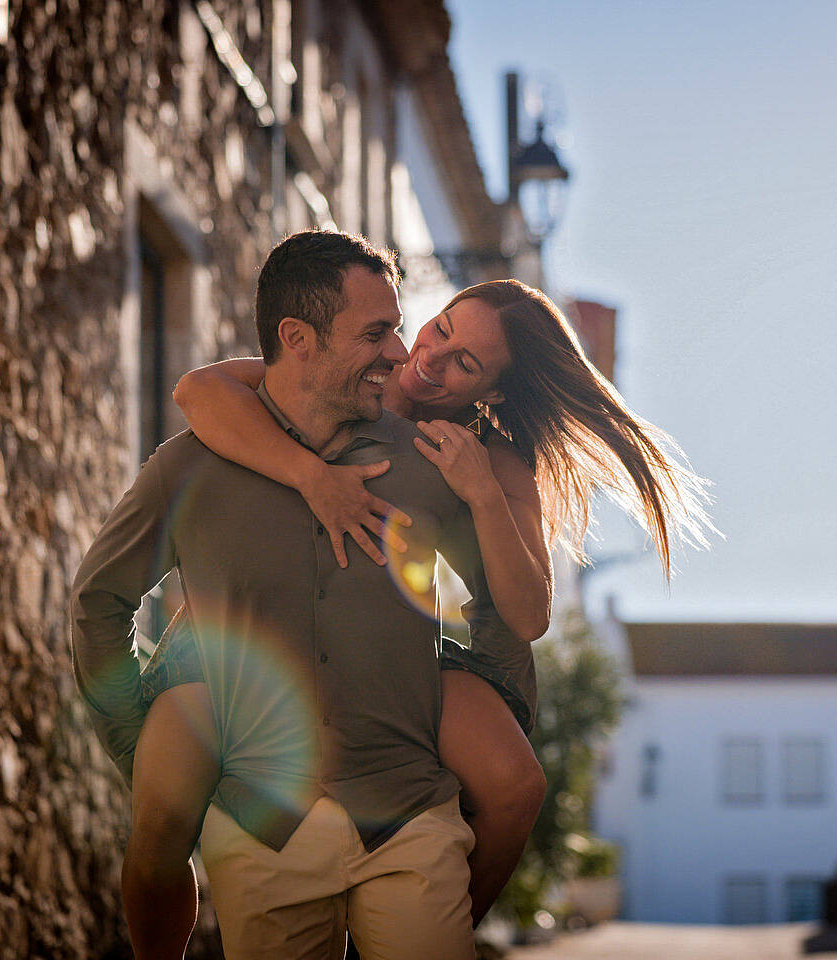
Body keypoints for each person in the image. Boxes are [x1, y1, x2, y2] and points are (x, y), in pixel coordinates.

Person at [130, 273, 715, 953]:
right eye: (441, 329)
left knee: (515, 787)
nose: (431, 357)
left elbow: (529, 616)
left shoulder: (495, 461)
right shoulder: (352, 374)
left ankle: (420, 928)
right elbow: (197, 392)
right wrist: (311, 475)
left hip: (408, 648)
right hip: (257, 619)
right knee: (158, 825)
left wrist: (481, 491)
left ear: (494, 393)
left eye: (464, 362)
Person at [71, 230, 499, 960]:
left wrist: (474, 707)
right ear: (297, 339)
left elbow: (502, 610)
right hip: (260, 830)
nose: (401, 353)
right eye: (375, 332)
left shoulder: (432, 463)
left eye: (397, 328)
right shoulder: (189, 469)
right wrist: (135, 741)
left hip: (409, 819)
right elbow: (97, 604)